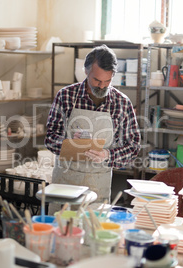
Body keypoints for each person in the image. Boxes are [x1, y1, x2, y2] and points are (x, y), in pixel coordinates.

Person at [45, 44, 141, 203]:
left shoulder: (122, 103)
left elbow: (133, 146)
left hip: (98, 187)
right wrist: (70, 145)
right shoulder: (66, 96)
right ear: (85, 71)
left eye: (107, 80)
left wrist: (107, 155)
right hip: (65, 185)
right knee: (61, 226)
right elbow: (49, 138)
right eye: (96, 80)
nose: (102, 86)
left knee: (94, 226)